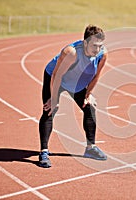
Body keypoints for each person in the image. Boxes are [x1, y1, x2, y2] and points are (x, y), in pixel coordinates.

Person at [38, 25, 107, 168]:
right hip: (56, 78)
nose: (97, 49)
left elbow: (96, 76)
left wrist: (88, 95)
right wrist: (54, 98)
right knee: (50, 110)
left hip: (77, 81)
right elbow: (57, 76)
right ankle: (44, 152)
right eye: (94, 45)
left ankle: (91, 148)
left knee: (89, 108)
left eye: (100, 46)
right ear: (85, 43)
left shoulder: (102, 54)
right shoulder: (71, 53)